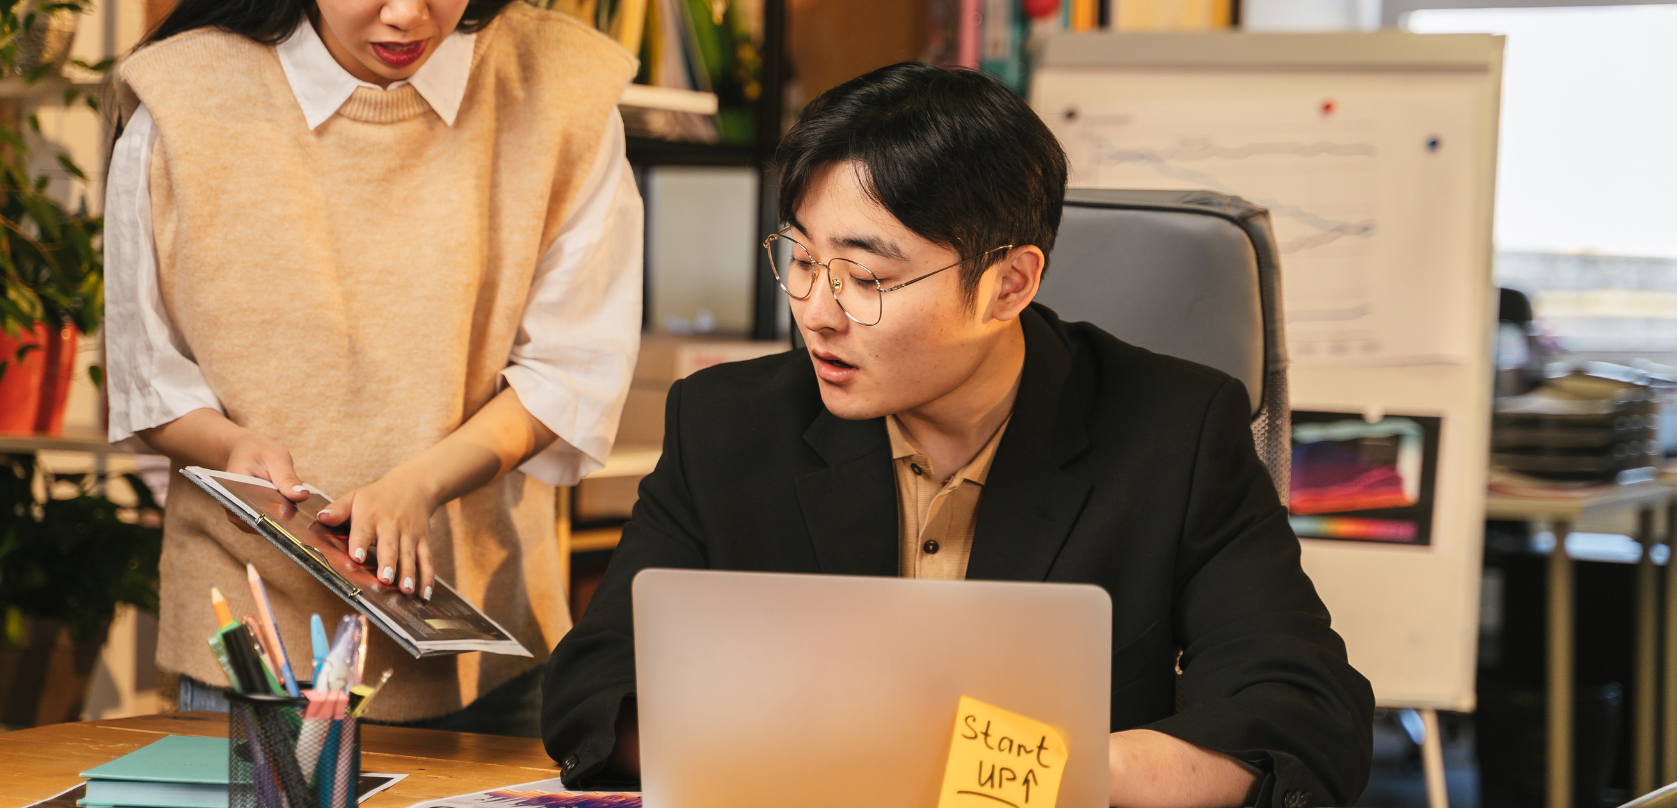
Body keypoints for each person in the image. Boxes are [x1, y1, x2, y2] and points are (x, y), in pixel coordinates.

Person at [541, 63, 1374, 807]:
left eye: (866, 277)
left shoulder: (1174, 431)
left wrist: (1045, 775)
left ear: (1008, 284)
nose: (818, 315)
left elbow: (1301, 710)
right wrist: (815, 763)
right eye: (799, 260)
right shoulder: (726, 423)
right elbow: (598, 682)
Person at [103, 0, 641, 735]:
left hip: (490, 648)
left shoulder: (555, 95)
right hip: (248, 640)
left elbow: (572, 370)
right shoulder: (184, 106)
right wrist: (231, 445)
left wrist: (421, 483)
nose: (408, 12)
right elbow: (148, 380)